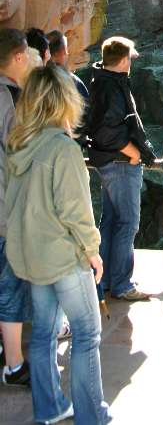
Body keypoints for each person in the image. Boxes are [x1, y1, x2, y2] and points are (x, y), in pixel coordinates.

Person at [5, 63, 111, 424]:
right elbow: (76, 212)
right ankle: (91, 415)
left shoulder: (18, 145)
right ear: (64, 100)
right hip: (64, 257)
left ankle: (49, 409)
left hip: (31, 256)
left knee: (43, 334)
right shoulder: (62, 150)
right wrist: (93, 252)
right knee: (87, 334)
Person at [86, 36, 157, 301]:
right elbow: (107, 132)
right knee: (127, 223)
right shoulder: (112, 86)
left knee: (110, 221)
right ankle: (122, 284)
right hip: (120, 163)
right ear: (125, 60)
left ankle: (103, 280)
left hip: (107, 162)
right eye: (131, 59)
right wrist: (134, 153)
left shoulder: (101, 80)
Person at [0, 28, 31, 386]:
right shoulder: (10, 97)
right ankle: (14, 365)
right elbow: (19, 155)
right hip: (5, 210)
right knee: (11, 287)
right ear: (20, 56)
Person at [47, 30, 89, 101]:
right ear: (63, 51)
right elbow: (85, 105)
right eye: (66, 49)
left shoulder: (35, 79)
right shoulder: (74, 83)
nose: (67, 53)